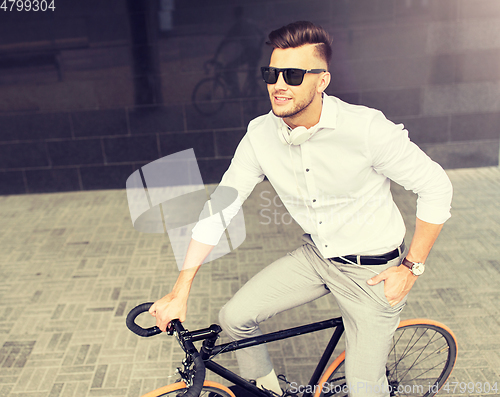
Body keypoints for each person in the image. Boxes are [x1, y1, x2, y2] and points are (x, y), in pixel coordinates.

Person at [149, 21, 453, 397]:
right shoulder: (260, 135)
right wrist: (181, 290)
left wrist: (410, 267)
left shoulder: (366, 129)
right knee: (234, 318)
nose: (279, 84)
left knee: (365, 391)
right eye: (271, 73)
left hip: (373, 274)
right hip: (318, 256)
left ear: (322, 80)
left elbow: (436, 187)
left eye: (293, 75)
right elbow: (220, 209)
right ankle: (265, 392)